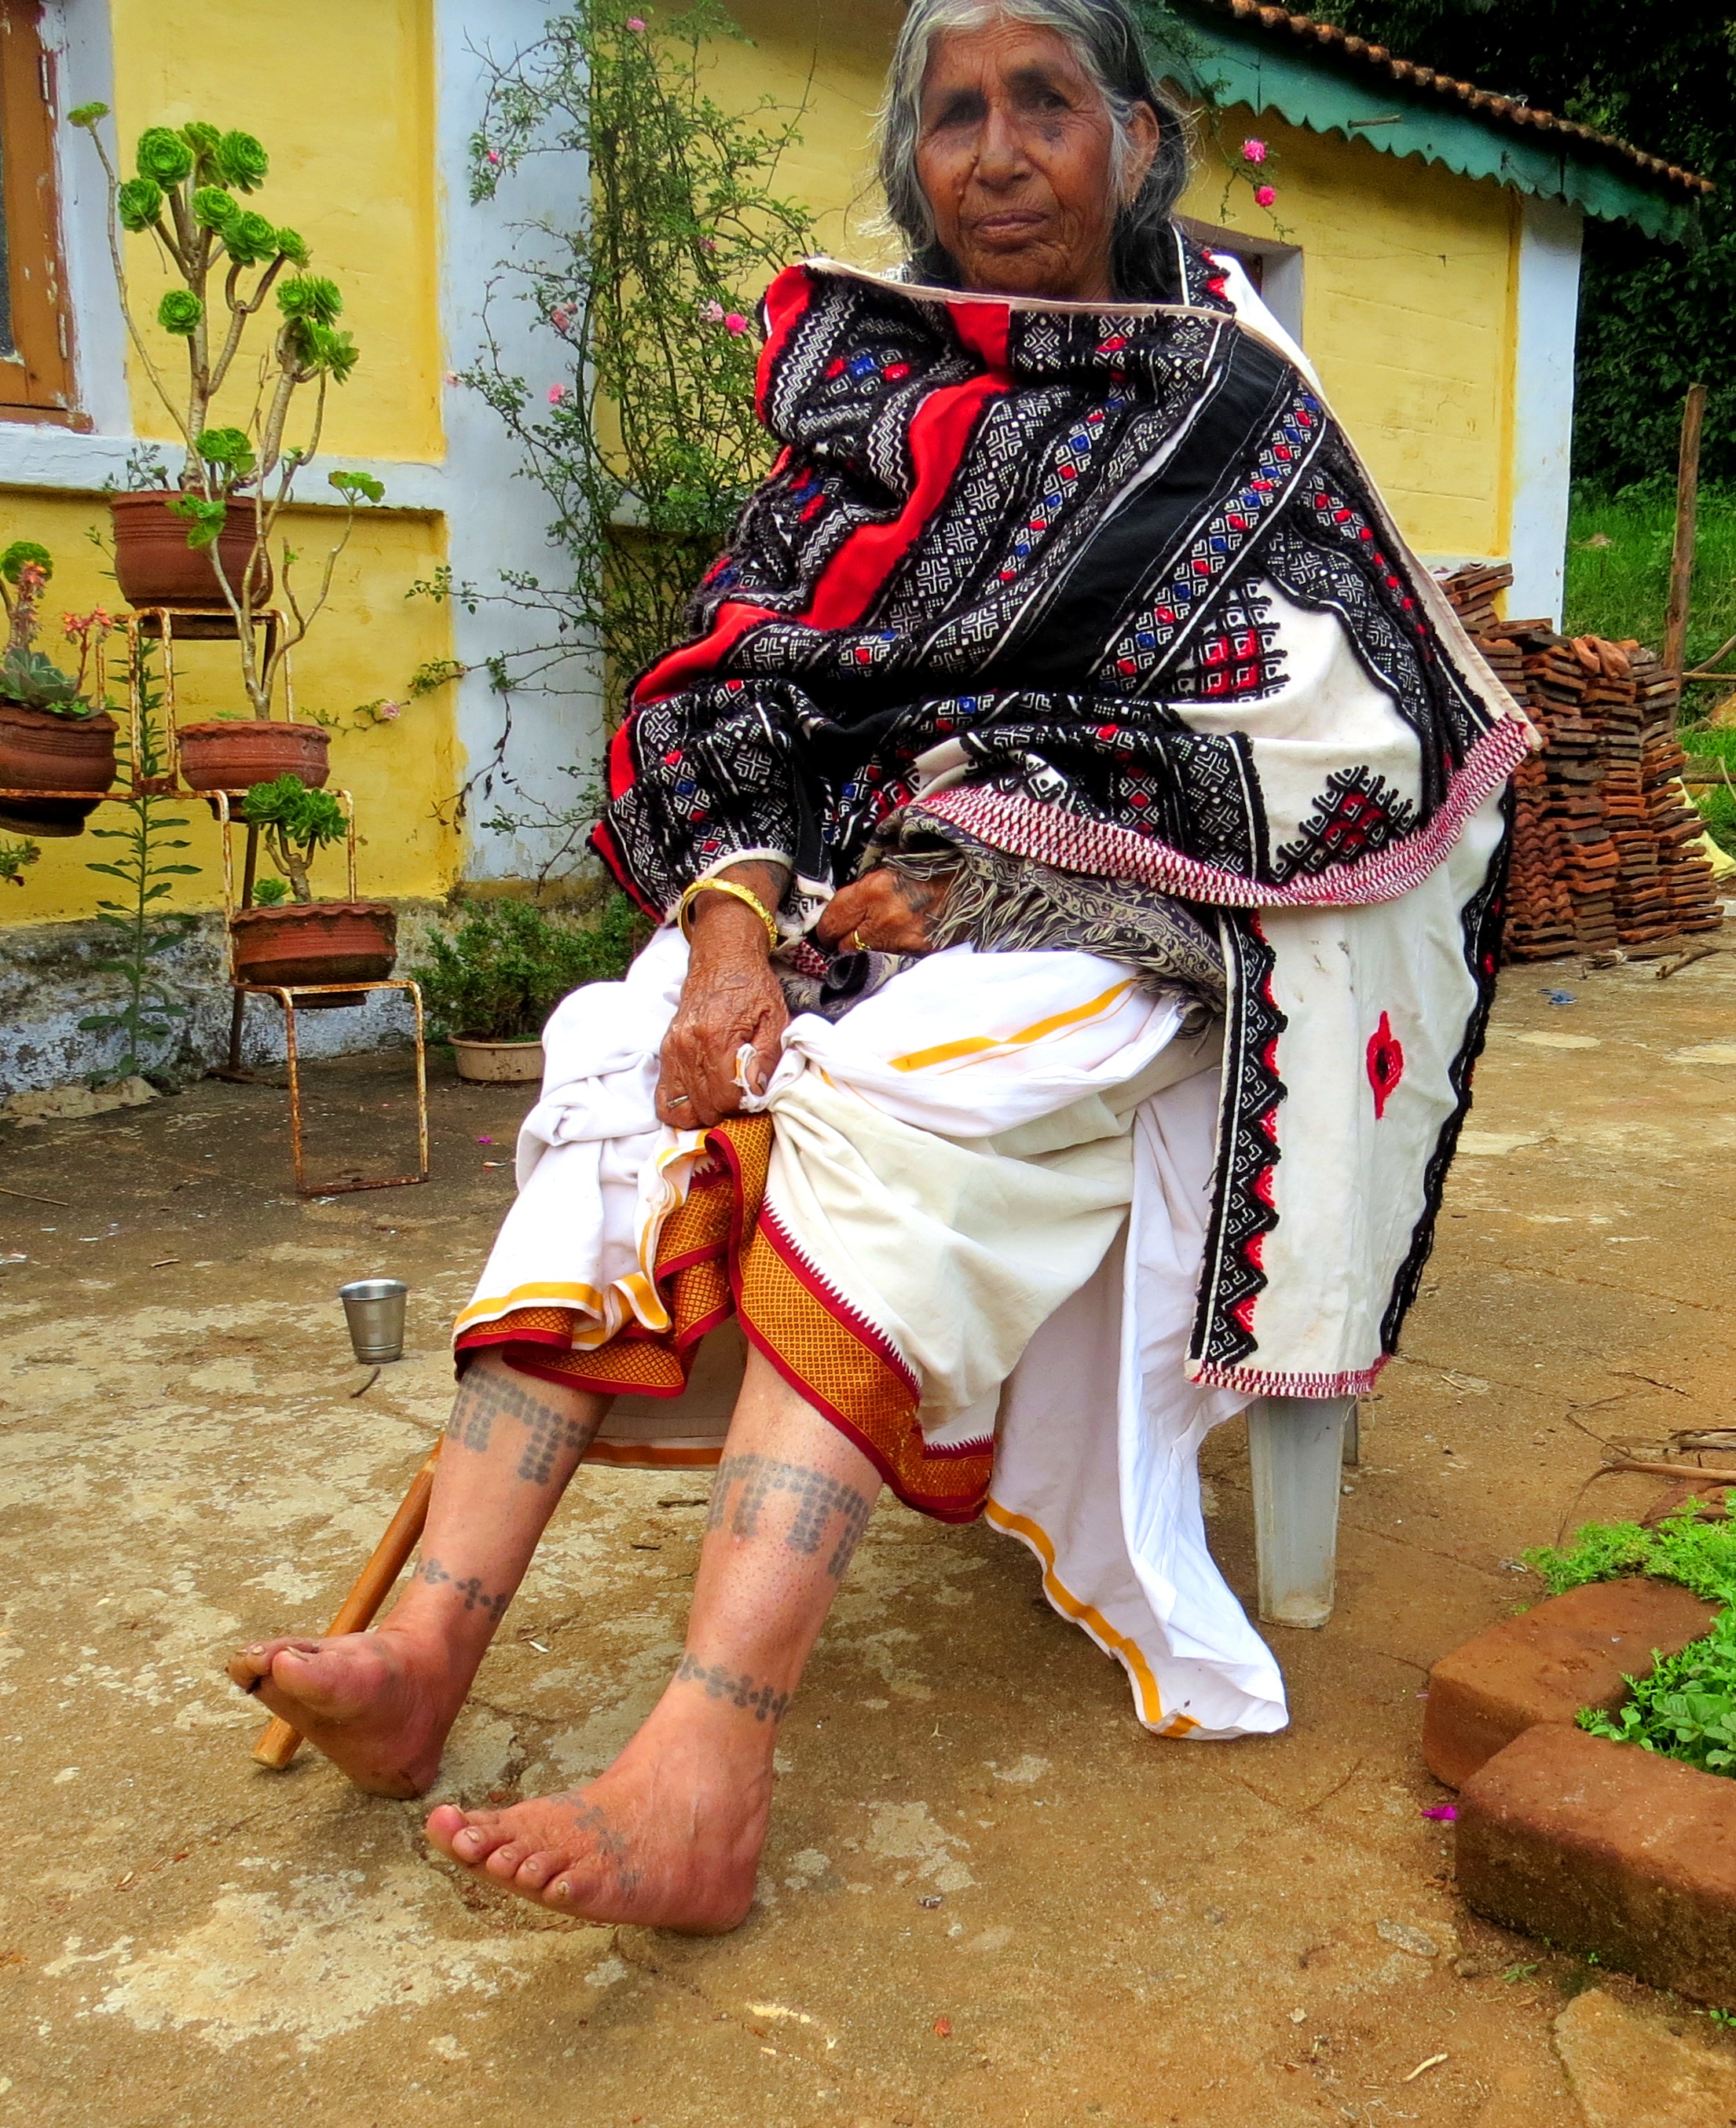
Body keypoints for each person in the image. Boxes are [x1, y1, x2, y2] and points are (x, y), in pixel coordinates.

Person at [228, 0, 1531, 1935]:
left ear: (1136, 137)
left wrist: (991, 851)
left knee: (901, 1090)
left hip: (1156, 907)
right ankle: (426, 1650)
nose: (995, 151)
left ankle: (707, 1757)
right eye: (951, 116)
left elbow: (1364, 733)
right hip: (842, 885)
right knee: (611, 1052)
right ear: (913, 160)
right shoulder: (870, 403)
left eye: (1041, 105)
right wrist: (729, 939)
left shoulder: (1238, 406)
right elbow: (735, 693)